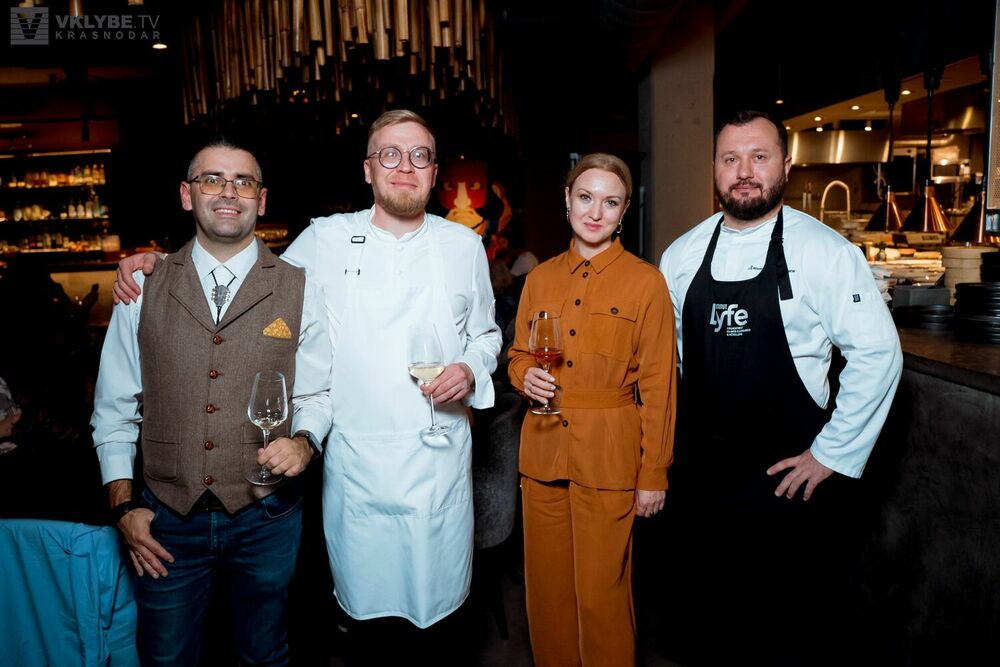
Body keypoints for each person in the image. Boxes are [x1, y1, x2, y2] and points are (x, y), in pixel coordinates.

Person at [112, 111, 502, 661]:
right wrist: (161, 265)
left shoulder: (464, 245)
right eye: (390, 154)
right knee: (364, 624)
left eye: (420, 156)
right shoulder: (325, 238)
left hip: (438, 457)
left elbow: (486, 335)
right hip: (359, 465)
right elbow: (247, 274)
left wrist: (470, 368)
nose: (405, 167)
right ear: (368, 169)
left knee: (439, 625)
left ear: (435, 172)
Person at [658, 110, 902, 664]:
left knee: (785, 630)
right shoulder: (681, 255)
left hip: (786, 485)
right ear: (714, 168)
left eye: (759, 157)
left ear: (786, 166)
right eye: (730, 158)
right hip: (702, 483)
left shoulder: (825, 252)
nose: (744, 171)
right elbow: (667, 363)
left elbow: (878, 354)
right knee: (707, 627)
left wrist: (831, 453)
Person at [92, 139, 333, 666]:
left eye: (243, 181)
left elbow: (316, 391)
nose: (228, 191)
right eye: (212, 179)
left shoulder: (300, 287)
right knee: (166, 658)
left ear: (261, 200)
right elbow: (113, 408)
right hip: (164, 519)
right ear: (187, 195)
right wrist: (124, 507)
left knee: (264, 655)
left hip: (266, 515)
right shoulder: (143, 287)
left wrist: (304, 440)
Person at [508, 153, 676, 666]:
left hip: (609, 456)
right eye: (585, 197)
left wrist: (654, 472)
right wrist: (523, 375)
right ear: (567, 200)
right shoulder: (540, 278)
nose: (595, 212)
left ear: (624, 212)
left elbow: (660, 385)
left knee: (602, 596)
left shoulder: (646, 283)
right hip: (542, 452)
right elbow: (517, 355)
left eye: (610, 202)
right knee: (547, 596)